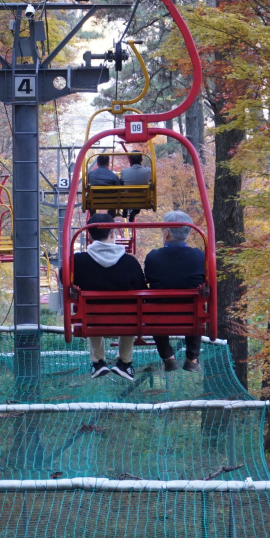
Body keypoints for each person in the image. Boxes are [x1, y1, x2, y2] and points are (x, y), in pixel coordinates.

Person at [72, 212, 145, 380]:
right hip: (126, 320)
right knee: (131, 310)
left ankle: (98, 362)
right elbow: (141, 288)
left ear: (89, 236)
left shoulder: (78, 261)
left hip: (93, 319)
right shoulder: (129, 262)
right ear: (113, 233)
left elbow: (65, 278)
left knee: (90, 312)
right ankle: (124, 363)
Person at [143, 210, 206, 372]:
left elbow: (148, 279)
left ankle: (168, 356)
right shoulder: (199, 256)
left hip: (159, 317)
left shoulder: (153, 257)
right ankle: (192, 357)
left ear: (166, 233)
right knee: (196, 307)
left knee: (154, 306)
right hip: (189, 316)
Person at [120, 153, 153, 219]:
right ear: (141, 159)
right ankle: (134, 211)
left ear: (130, 160)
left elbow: (121, 184)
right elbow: (151, 182)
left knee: (123, 189)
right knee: (141, 193)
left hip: (127, 199)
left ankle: (125, 209)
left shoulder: (124, 172)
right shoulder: (148, 171)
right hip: (142, 199)